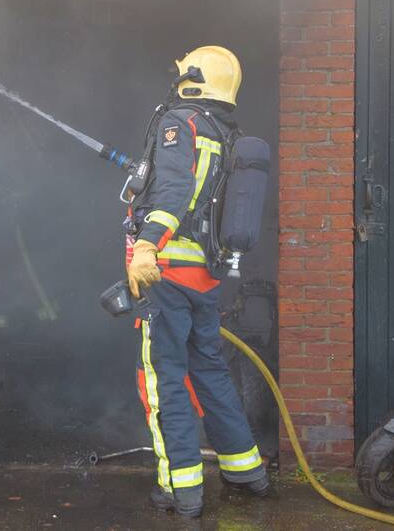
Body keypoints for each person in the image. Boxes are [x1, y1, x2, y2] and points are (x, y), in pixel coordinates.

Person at [125, 45, 271, 518]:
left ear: (193, 77)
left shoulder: (179, 123)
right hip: (204, 280)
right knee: (209, 372)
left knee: (162, 380)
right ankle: (246, 472)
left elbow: (173, 191)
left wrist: (148, 243)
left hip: (164, 274)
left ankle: (180, 488)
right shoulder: (226, 134)